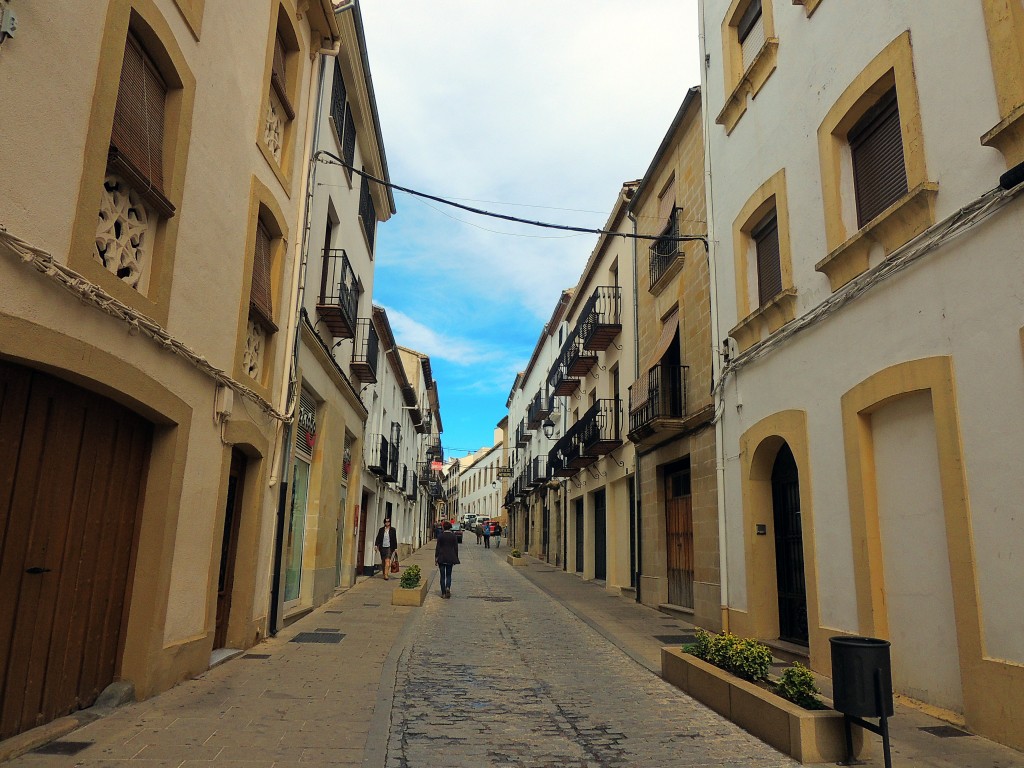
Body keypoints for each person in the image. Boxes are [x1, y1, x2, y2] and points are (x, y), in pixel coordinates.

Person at [435, 520, 460, 599]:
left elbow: (438, 547)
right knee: (448, 575)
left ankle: (443, 593)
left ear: (443, 527)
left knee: (442, 576)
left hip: (441, 558)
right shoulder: (453, 536)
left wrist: (436, 557)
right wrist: (455, 557)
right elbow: (456, 548)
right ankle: (448, 587)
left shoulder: (440, 536)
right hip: (450, 558)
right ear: (450, 528)